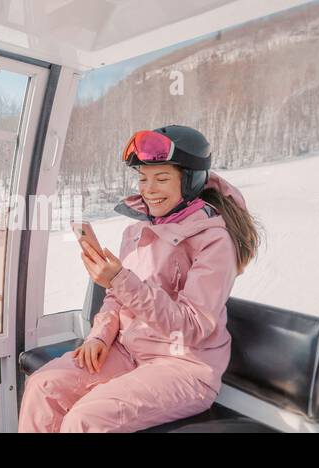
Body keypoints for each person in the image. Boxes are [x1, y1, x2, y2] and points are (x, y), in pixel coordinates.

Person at [17, 125, 260, 432]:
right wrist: (99, 336)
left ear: (191, 181)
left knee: (85, 420)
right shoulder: (136, 230)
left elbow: (193, 326)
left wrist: (119, 278)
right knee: (43, 386)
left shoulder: (214, 242)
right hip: (130, 351)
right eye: (143, 178)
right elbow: (116, 299)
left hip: (184, 366)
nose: (149, 189)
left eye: (161, 178)